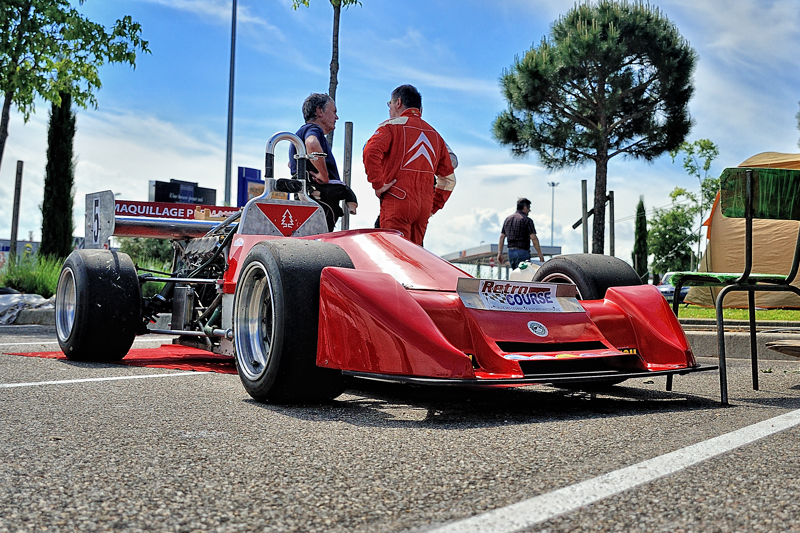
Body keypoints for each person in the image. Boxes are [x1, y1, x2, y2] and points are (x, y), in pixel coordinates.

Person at [363, 84, 456, 246]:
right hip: (424, 207)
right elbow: (448, 180)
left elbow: (370, 152)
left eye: (389, 104)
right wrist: (433, 206)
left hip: (397, 201)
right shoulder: (436, 136)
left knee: (394, 256)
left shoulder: (390, 126)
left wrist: (378, 184)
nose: (389, 108)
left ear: (398, 102)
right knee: (416, 260)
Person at [289, 93, 357, 231]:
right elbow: (312, 143)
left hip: (309, 202)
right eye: (334, 112)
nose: (336, 117)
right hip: (319, 202)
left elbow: (291, 164)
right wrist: (323, 175)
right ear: (320, 111)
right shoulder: (314, 130)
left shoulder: (299, 134)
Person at [497, 198, 545, 270]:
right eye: (529, 208)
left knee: (515, 273)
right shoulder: (527, 220)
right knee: (523, 274)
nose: (529, 211)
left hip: (511, 252)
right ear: (525, 207)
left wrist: (500, 253)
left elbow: (502, 237)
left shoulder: (508, 220)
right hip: (523, 252)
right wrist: (540, 254)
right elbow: (533, 238)